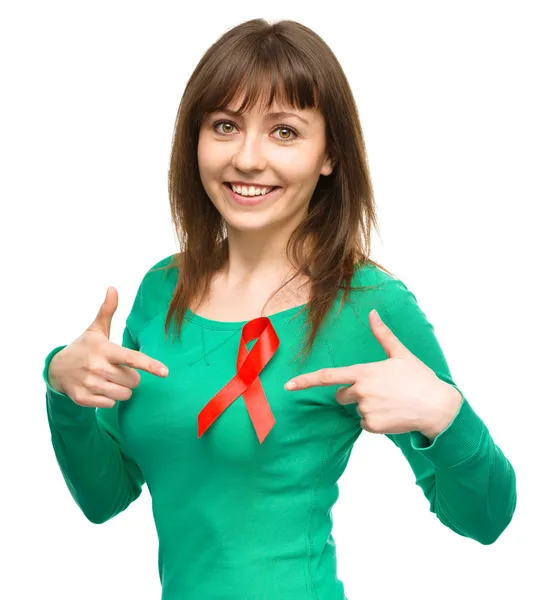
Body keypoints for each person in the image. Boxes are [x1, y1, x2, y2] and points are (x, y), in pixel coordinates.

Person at [43, 18, 516, 600]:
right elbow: (105, 495)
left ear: (329, 155)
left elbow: (486, 519)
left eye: (284, 132)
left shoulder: (368, 307)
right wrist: (61, 388)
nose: (247, 158)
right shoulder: (161, 289)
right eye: (224, 126)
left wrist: (447, 415)